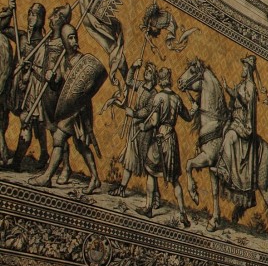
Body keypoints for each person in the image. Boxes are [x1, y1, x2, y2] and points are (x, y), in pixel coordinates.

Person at [29, 24, 103, 190]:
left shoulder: (82, 61)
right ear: (63, 40)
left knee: (61, 139)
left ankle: (47, 177)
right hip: (69, 109)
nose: (74, 40)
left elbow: (86, 87)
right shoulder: (62, 61)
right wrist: (51, 78)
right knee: (80, 146)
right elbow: (58, 86)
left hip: (79, 110)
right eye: (69, 37)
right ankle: (96, 178)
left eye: (74, 36)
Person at [136, 67, 196, 227]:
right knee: (175, 179)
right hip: (171, 139)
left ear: (161, 80)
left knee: (151, 172)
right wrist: (194, 109)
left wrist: (144, 127)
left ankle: (148, 208)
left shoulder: (159, 97)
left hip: (159, 138)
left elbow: (154, 122)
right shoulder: (176, 98)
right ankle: (183, 213)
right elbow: (188, 117)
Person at [0, 0, 47, 168]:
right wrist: (9, 12)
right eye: (29, 14)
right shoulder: (21, 36)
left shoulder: (44, 44)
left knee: (27, 121)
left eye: (35, 14)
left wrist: (29, 67)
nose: (31, 18)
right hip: (14, 86)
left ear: (41, 19)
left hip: (30, 88)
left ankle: (17, 162)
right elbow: (2, 28)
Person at [110, 60, 157, 198]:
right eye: (146, 70)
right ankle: (122, 188)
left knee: (147, 163)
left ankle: (155, 196)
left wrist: (134, 113)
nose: (146, 72)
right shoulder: (141, 84)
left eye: (149, 71)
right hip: (135, 125)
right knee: (130, 157)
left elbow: (148, 110)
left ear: (153, 75)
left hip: (144, 130)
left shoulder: (154, 93)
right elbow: (129, 81)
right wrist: (133, 67)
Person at [215, 55, 258, 198]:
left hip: (244, 123)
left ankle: (226, 171)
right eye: (243, 66)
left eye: (245, 67)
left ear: (250, 69)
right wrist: (227, 87)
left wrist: (238, 96)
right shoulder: (241, 84)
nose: (243, 69)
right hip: (235, 119)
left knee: (228, 136)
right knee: (221, 130)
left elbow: (247, 102)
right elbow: (235, 94)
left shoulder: (250, 86)